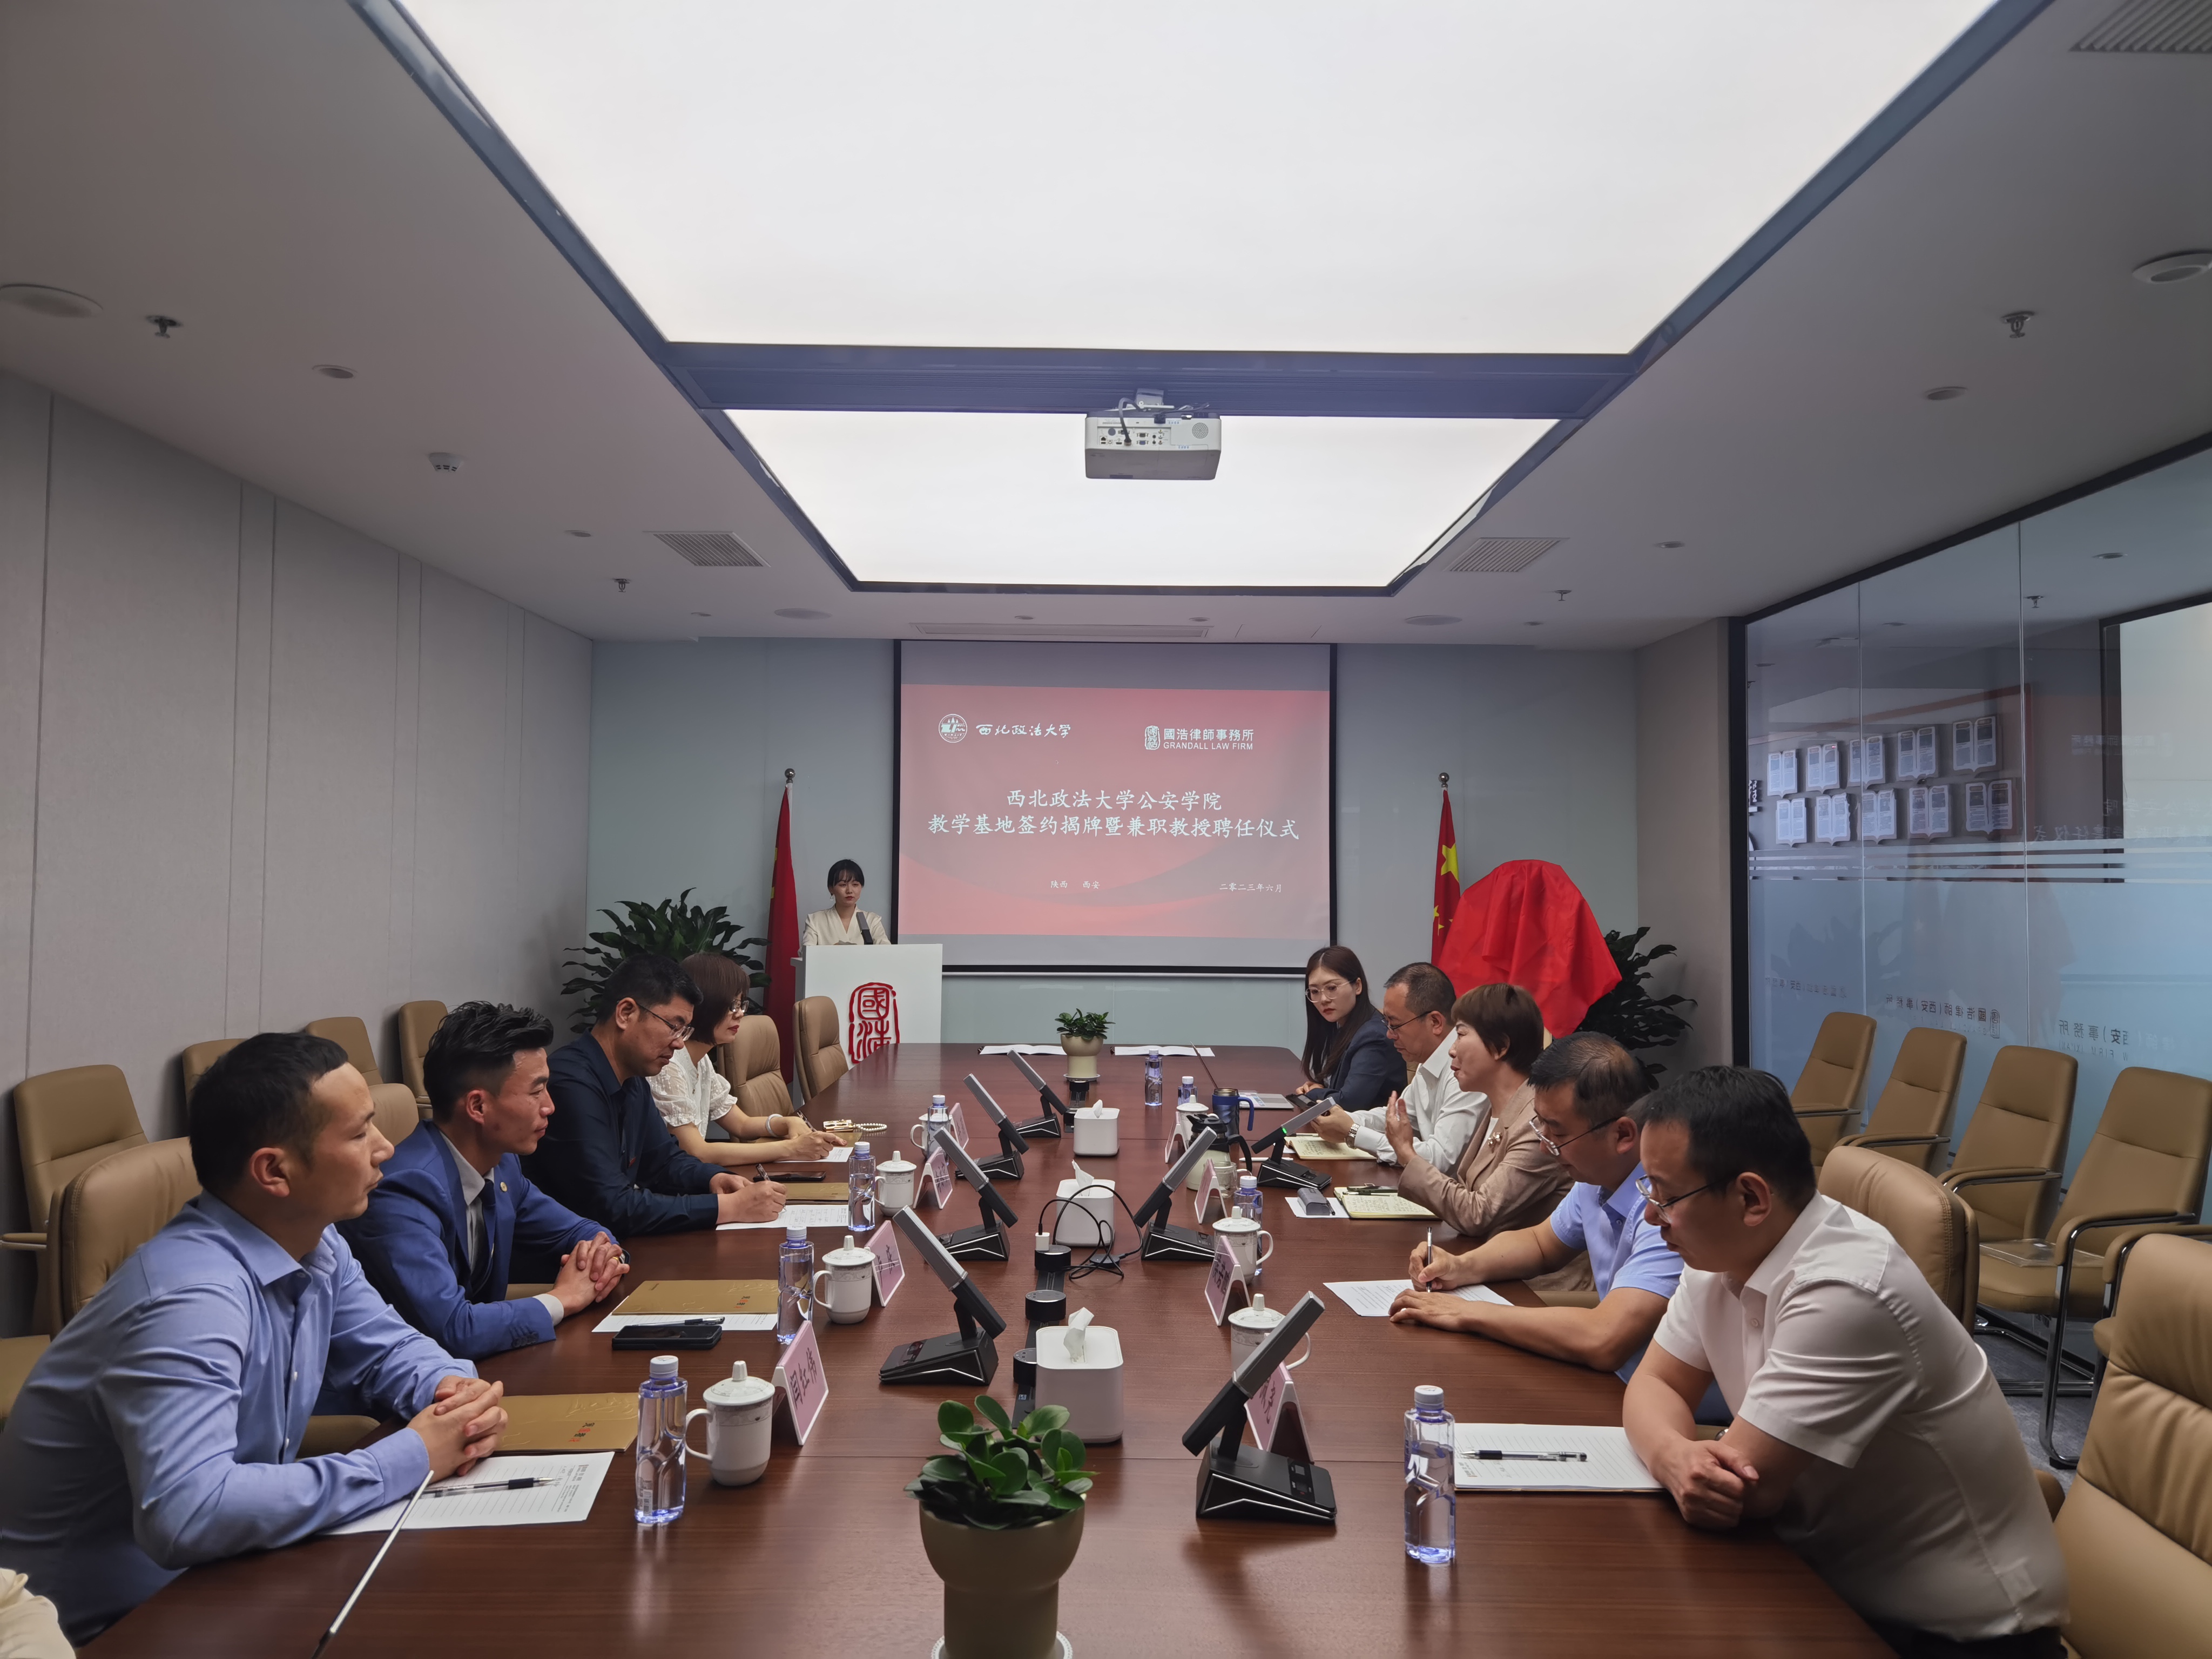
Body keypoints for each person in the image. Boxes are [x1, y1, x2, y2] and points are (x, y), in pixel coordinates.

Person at [0, 1034, 507, 1644]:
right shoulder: (192, 1299)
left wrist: (452, 1392)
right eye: (359, 1134)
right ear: (274, 1171)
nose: (386, 1149)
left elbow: (389, 1348)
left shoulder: (314, 1242)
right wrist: (411, 1455)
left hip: (227, 1577)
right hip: (104, 1629)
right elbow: (190, 1513)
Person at [1623, 1067, 2067, 1657]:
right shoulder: (1723, 1250)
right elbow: (1654, 1383)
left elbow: (1744, 1493)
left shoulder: (1846, 1289)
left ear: (1751, 1198)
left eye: (1665, 1195)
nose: (1652, 1216)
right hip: (1824, 1583)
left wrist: (1681, 1459)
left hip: (1957, 1638)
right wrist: (1675, 1456)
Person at [1390, 1033, 1683, 1383]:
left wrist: (1467, 1313)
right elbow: (1540, 1244)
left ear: (1622, 1135)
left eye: (1558, 1134)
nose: (1545, 1147)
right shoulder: (1596, 1178)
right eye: (1540, 1125)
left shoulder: (1667, 1208)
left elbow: (1605, 1339)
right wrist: (1460, 1267)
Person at [342, 1002, 630, 1359]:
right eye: (536, 1092)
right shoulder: (403, 1191)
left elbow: (584, 1231)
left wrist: (602, 1258)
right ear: (478, 1106)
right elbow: (454, 1331)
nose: (550, 1106)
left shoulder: (503, 1164)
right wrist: (563, 1299)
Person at [525, 954, 786, 1233]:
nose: (679, 1044)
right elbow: (611, 1206)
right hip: (565, 1253)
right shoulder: (571, 1083)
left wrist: (715, 1179)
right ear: (626, 1013)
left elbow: (664, 1162)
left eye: (685, 1031)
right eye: (674, 1027)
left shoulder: (633, 1076)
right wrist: (728, 1208)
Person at [1393, 984, 1576, 1262]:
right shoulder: (1496, 1108)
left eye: (1461, 1035)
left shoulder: (1537, 1123)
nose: (1452, 1050)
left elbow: (1477, 1214)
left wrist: (1408, 1154)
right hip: (1481, 1261)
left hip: (1528, 1282)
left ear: (1500, 1047)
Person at [651, 954, 846, 1168]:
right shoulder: (668, 1066)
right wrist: (791, 1149)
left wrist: (785, 1123)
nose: (740, 1015)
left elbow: (741, 1124)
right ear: (704, 1005)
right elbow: (698, 1153)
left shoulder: (701, 1061)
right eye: (732, 1006)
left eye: (741, 1005)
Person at [1309, 961, 1478, 1169]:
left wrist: (1353, 1132)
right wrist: (1344, 1119)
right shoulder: (1428, 1061)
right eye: (1387, 1024)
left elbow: (1440, 1160)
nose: (1389, 1034)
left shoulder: (1465, 1072)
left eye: (1395, 1025)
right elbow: (1395, 1117)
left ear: (1435, 1022)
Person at [1286, 945, 1397, 1111]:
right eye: (1315, 991)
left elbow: (1350, 1102)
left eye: (1332, 988)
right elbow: (1341, 1090)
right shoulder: (1344, 1028)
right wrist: (1320, 1088)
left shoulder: (1374, 1037)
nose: (1323, 999)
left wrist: (1313, 1094)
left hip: (1369, 1127)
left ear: (1357, 986)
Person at [804, 858, 891, 946]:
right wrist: (831, 951)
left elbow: (887, 950)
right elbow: (807, 951)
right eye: (843, 885)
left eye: (855, 885)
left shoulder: (872, 920)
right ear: (831, 889)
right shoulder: (816, 920)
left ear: (861, 887)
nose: (849, 891)